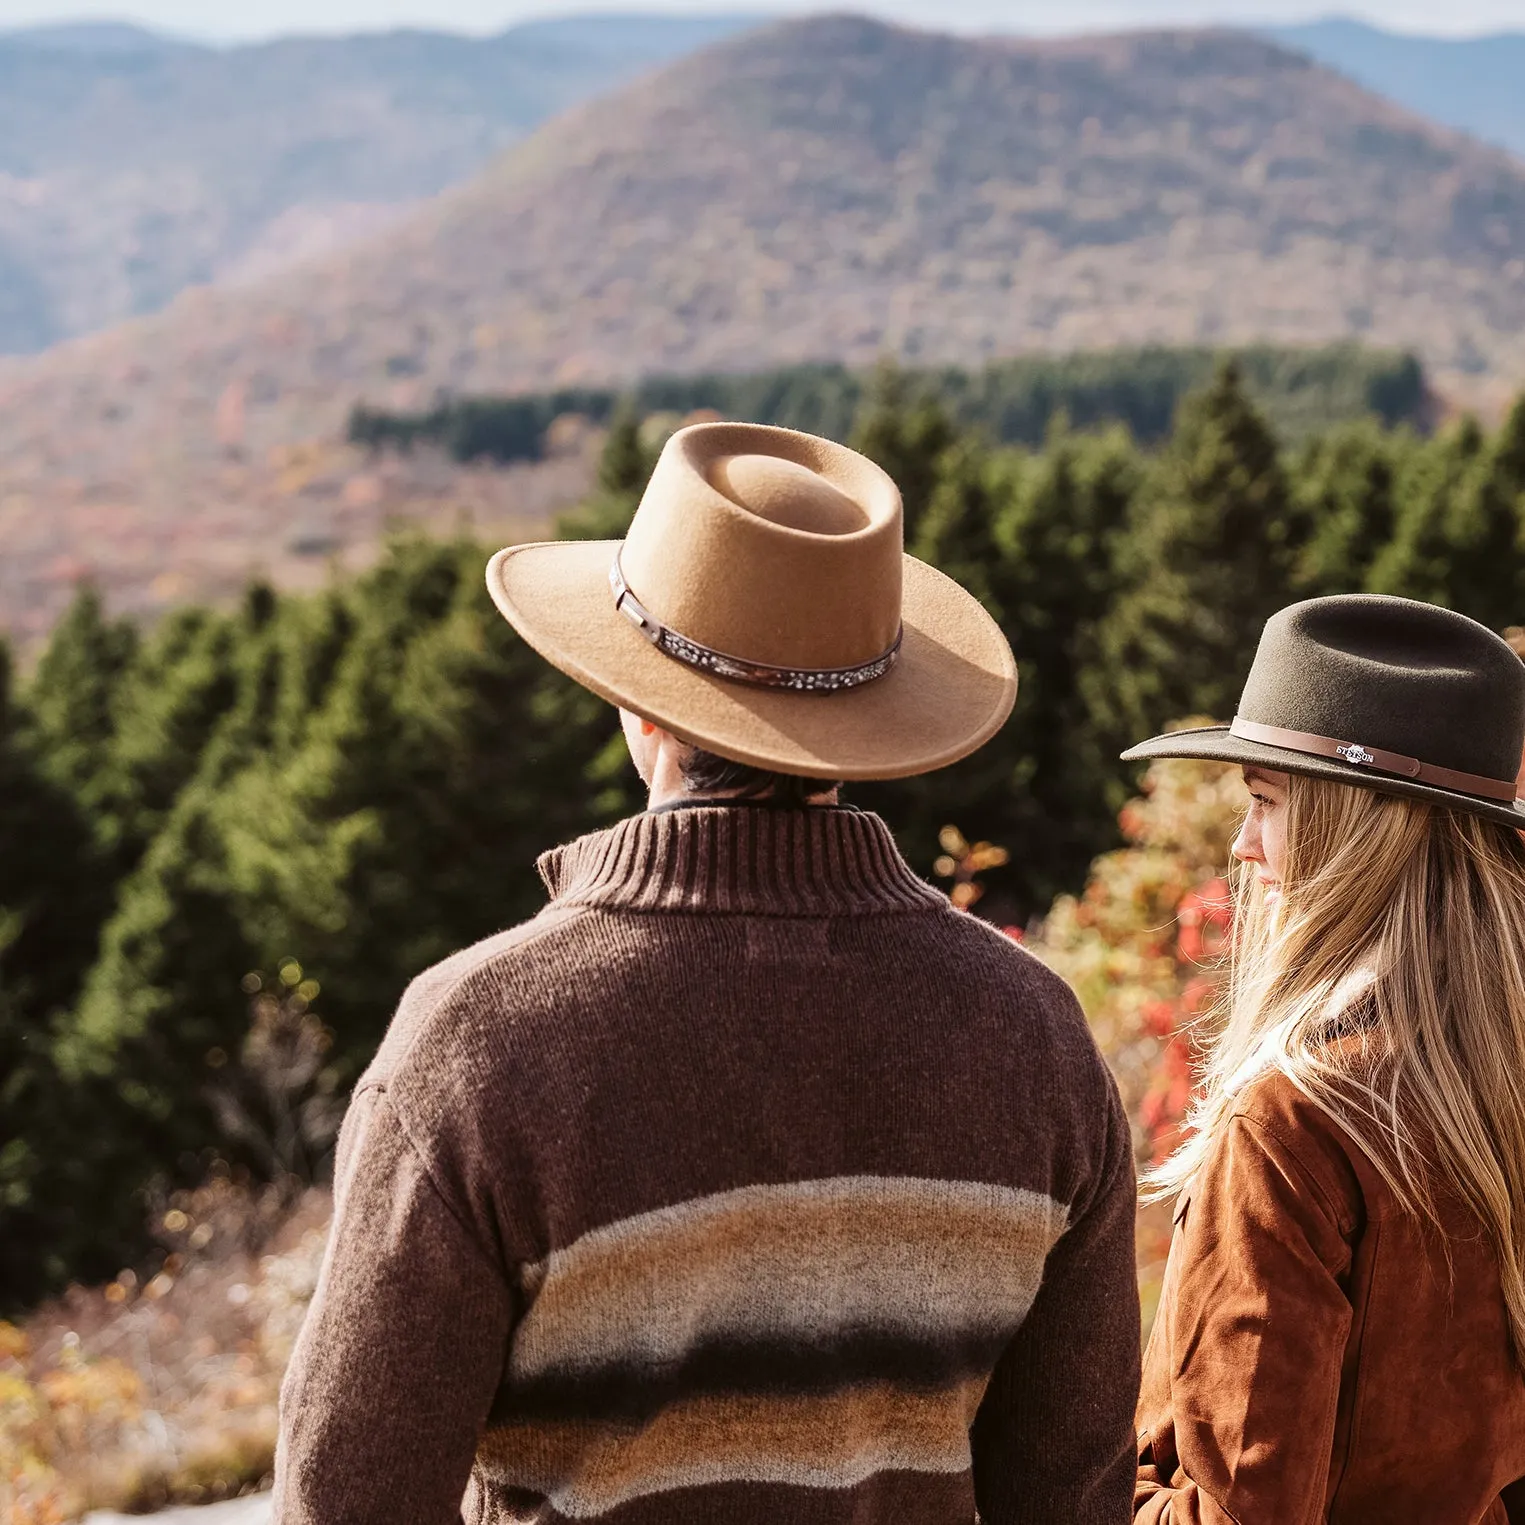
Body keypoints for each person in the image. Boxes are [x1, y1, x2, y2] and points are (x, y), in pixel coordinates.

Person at [274, 422, 1140, 1525]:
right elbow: (1074, 1498)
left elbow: (348, 1499)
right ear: (867, 723)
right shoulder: (1034, 1033)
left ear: (638, 707)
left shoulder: (475, 1042)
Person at [1125, 593, 1525, 1523]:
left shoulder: (1296, 1122)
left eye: (1264, 801)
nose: (1241, 845)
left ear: (1352, 830)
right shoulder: (1491, 1084)